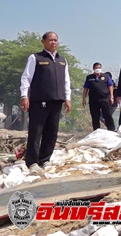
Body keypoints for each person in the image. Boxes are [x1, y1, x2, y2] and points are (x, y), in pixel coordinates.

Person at [19, 31, 72, 176]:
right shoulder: (35, 58)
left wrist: (67, 98)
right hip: (39, 101)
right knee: (36, 132)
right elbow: (26, 78)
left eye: (56, 40)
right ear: (43, 42)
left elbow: (66, 81)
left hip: (57, 101)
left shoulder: (63, 60)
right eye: (50, 40)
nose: (53, 42)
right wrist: (24, 95)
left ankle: (45, 159)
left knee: (52, 132)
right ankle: (33, 162)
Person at [82, 63, 116, 131]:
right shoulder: (89, 77)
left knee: (108, 115)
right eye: (96, 68)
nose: (98, 69)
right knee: (95, 117)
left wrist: (111, 96)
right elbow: (86, 88)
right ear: (94, 69)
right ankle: (96, 131)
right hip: (93, 100)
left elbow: (110, 86)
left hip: (104, 99)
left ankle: (112, 130)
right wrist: (83, 98)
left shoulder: (106, 76)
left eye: (99, 67)